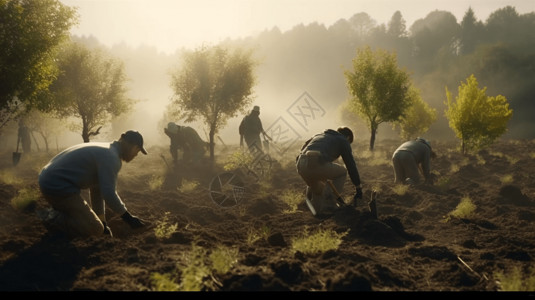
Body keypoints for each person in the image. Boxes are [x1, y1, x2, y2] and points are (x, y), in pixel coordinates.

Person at [38, 130, 148, 238]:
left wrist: (103, 222)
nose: (136, 155)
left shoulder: (107, 149)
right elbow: (109, 193)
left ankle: (60, 213)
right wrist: (129, 218)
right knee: (95, 229)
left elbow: (98, 190)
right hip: (57, 186)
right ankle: (51, 218)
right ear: (133, 146)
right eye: (137, 151)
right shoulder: (111, 157)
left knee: (99, 227)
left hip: (49, 180)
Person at [296, 127, 363, 215]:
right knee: (342, 172)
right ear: (348, 138)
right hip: (315, 163)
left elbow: (304, 147)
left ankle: (315, 211)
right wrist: (358, 186)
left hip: (301, 164)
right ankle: (329, 204)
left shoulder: (319, 135)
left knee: (318, 187)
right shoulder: (343, 140)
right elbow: (350, 165)